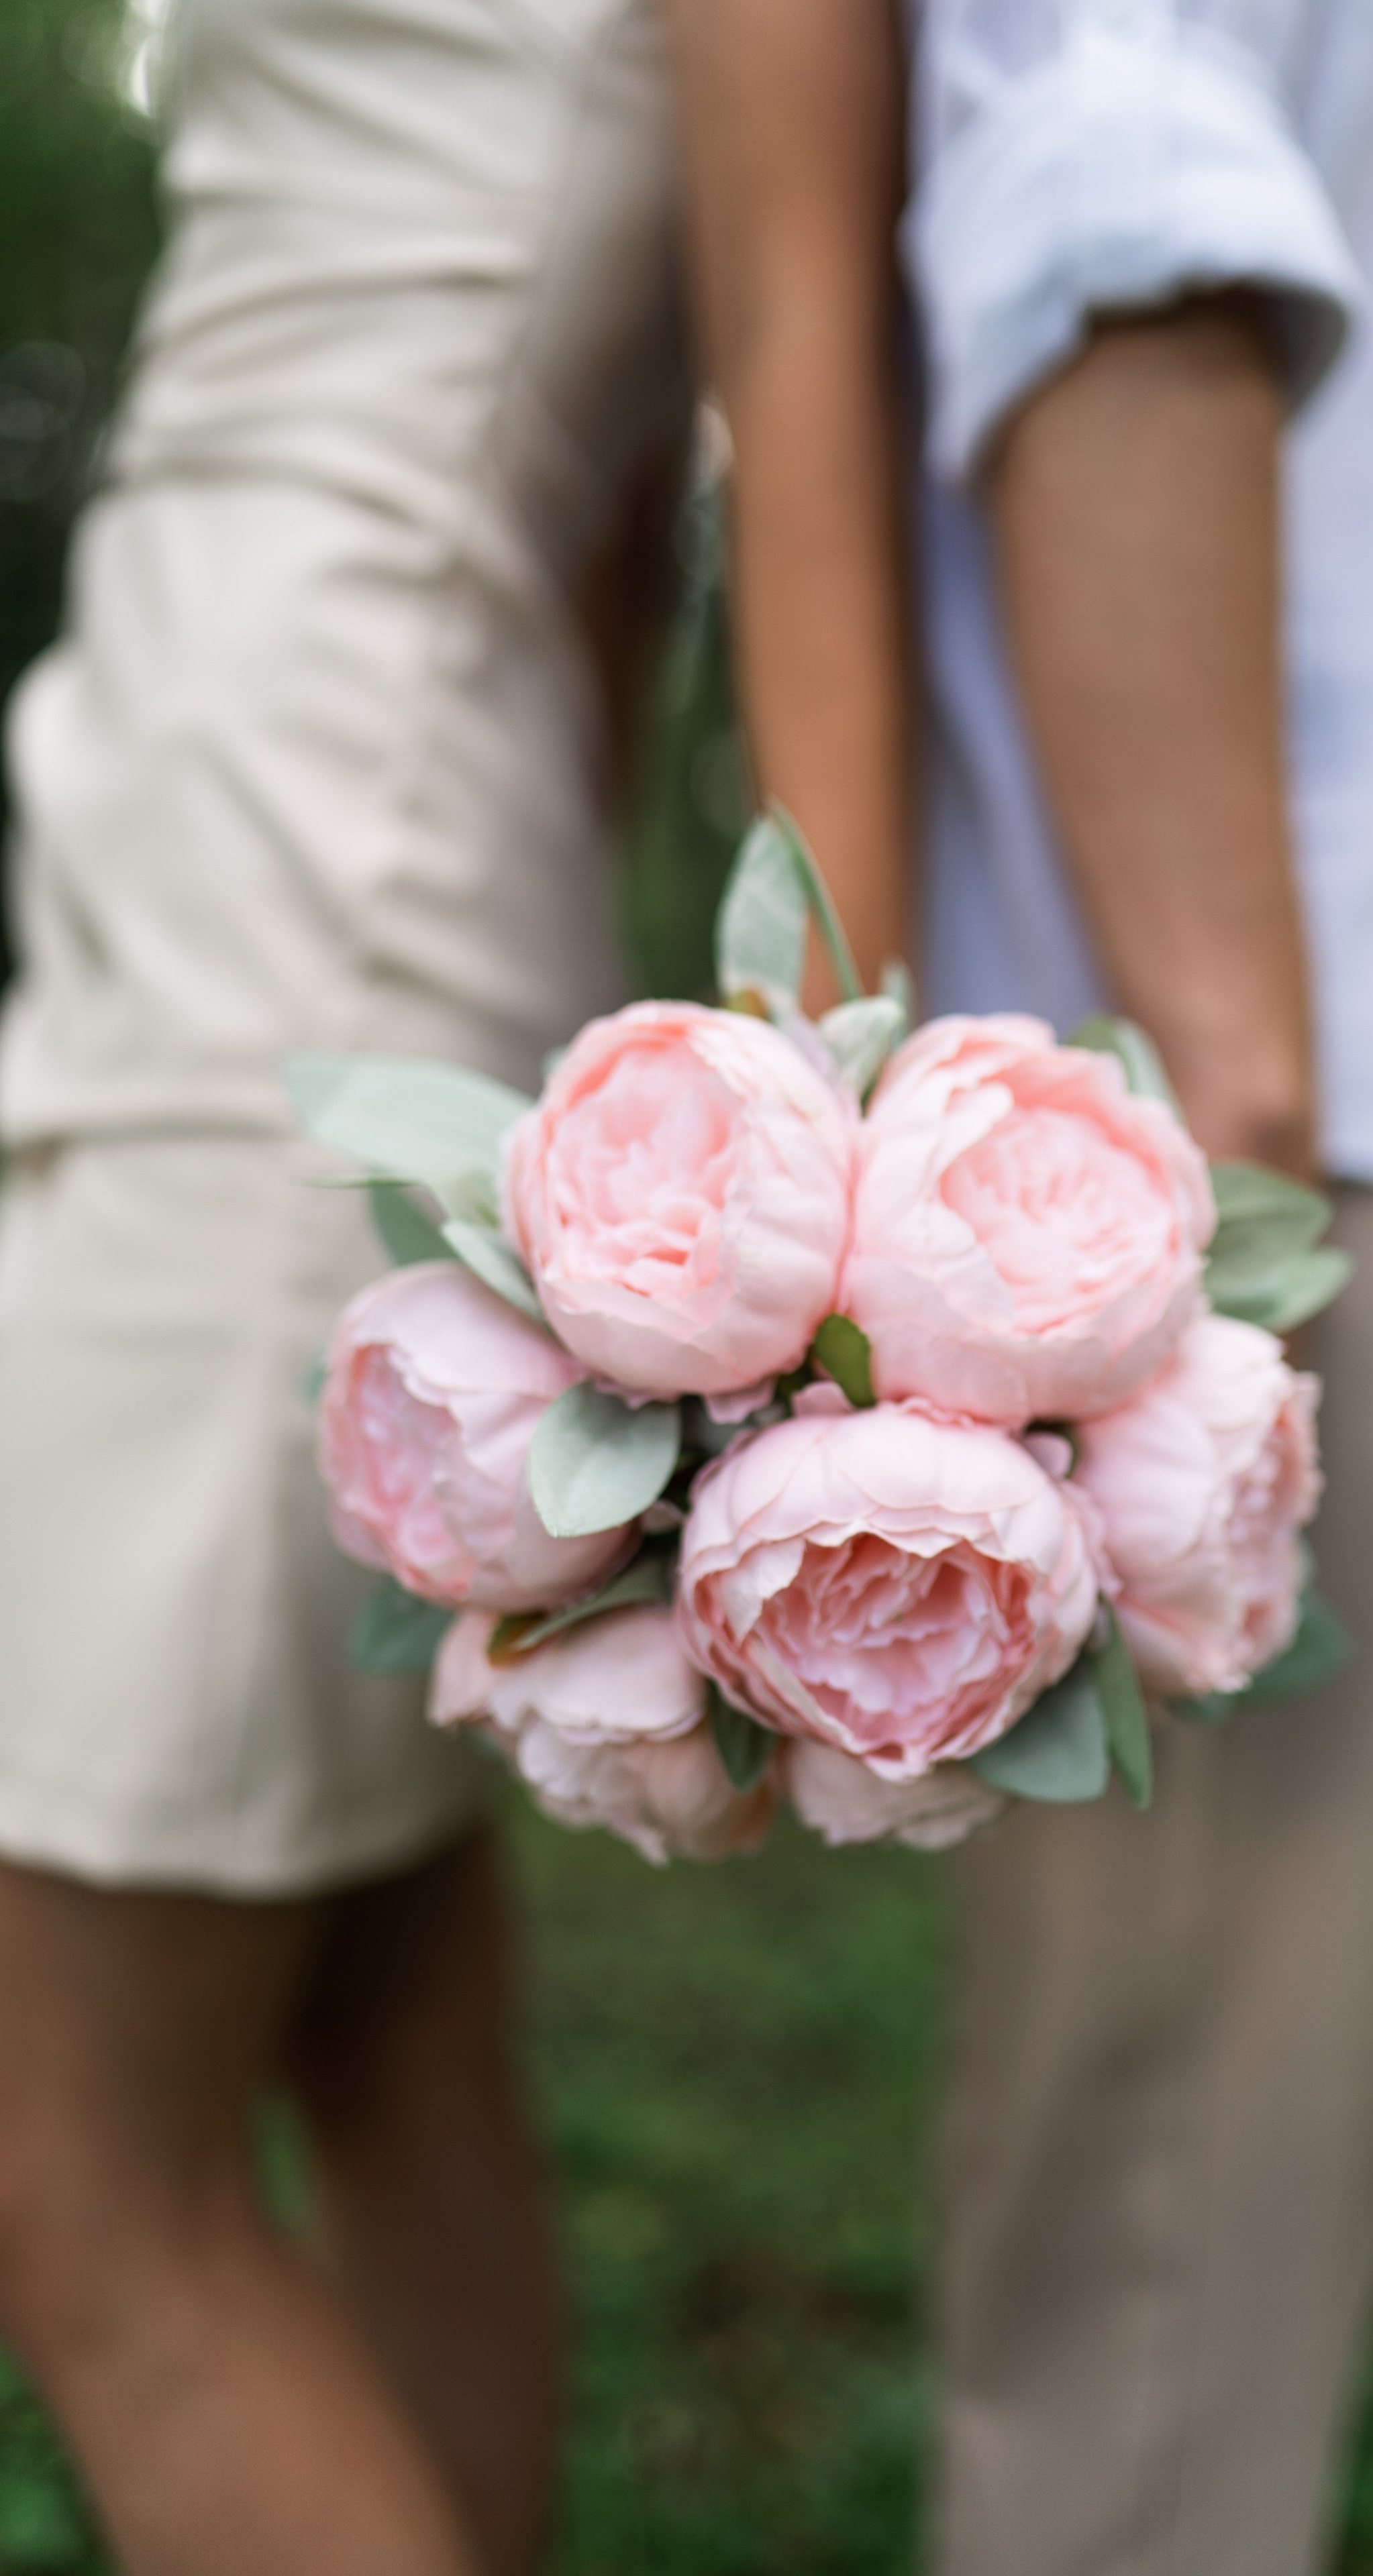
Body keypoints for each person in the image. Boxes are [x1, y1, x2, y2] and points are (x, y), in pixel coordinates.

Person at [0, 0, 905, 2564]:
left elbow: (799, 365)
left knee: (82, 2194)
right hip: (312, 860)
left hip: (279, 924)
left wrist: (840, 1167)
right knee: (385, 2040)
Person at [893, 2, 1373, 2570]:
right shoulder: (1234, 1210)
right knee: (1158, 2326)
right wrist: (1230, 1172)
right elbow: (1121, 209)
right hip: (1242, 1173)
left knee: (1184, 2279)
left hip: (1292, 1115)